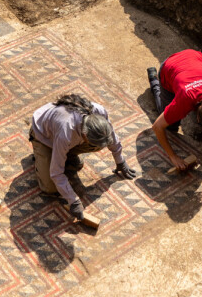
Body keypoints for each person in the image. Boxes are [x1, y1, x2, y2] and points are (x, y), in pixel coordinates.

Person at [29, 93, 136, 221]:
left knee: (101, 143)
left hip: (65, 136)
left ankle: (64, 154)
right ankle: (41, 156)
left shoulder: (99, 112)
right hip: (43, 136)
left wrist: (120, 161)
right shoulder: (66, 132)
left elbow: (111, 137)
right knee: (50, 187)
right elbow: (56, 173)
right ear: (84, 136)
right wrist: (73, 201)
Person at [148, 49, 202, 173]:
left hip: (194, 56)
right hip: (169, 67)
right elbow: (157, 127)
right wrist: (173, 157)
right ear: (198, 118)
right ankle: (154, 82)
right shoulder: (184, 101)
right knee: (171, 126)